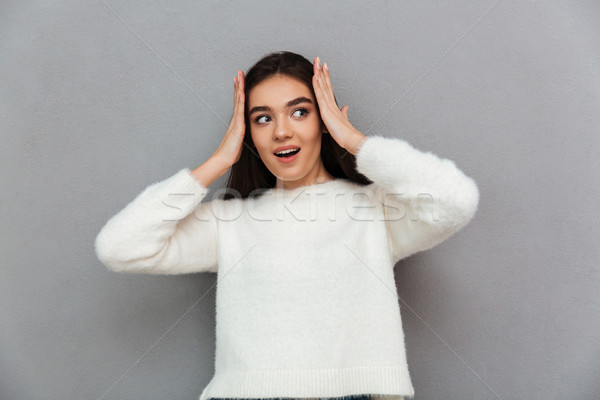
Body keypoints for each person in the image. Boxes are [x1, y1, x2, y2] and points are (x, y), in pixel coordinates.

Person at [94, 51, 480, 400]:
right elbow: (119, 247)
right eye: (263, 118)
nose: (281, 131)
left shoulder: (375, 209)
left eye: (300, 112)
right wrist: (218, 161)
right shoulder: (231, 219)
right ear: (249, 133)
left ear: (323, 120)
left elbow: (455, 200)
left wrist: (354, 140)